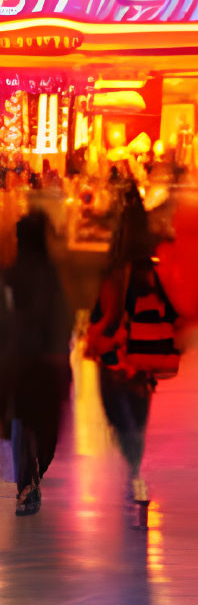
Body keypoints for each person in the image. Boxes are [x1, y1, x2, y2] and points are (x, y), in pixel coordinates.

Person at [86, 185, 182, 524]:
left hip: (116, 351)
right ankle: (135, 466)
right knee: (138, 413)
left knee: (117, 411)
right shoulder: (154, 264)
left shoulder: (114, 267)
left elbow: (105, 313)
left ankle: (132, 463)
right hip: (145, 351)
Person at [4, 212, 73, 514]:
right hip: (47, 364)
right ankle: (31, 481)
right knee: (44, 429)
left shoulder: (10, 275)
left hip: (18, 362)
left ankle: (27, 483)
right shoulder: (54, 276)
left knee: (23, 423)